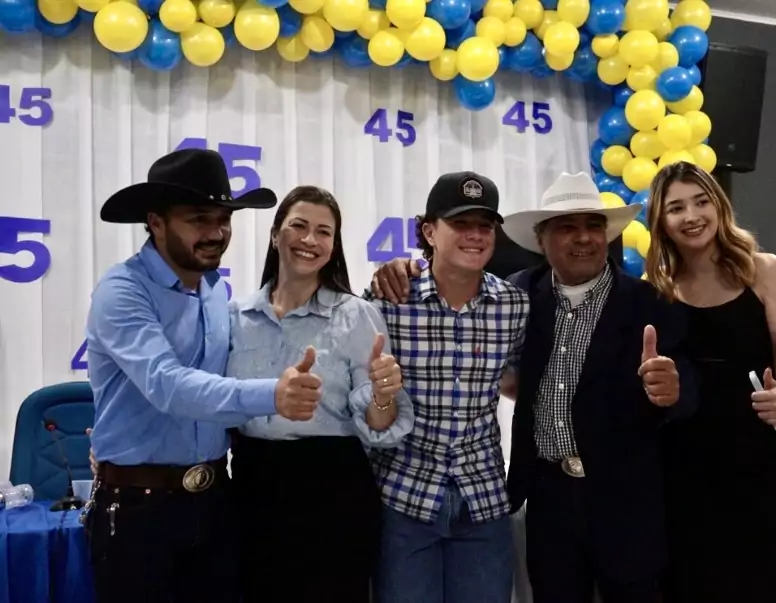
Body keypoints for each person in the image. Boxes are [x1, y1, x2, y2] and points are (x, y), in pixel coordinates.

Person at [371, 172, 698, 603]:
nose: (583, 238)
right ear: (542, 239)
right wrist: (399, 267)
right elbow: (511, 376)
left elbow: (688, 382)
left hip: (624, 503)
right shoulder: (523, 294)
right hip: (547, 497)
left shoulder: (649, 301)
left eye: (593, 226)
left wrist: (673, 391)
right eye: (567, 227)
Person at [84, 149, 319, 603]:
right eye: (198, 219)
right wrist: (274, 394)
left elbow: (220, 378)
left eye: (223, 219)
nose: (216, 233)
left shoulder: (215, 290)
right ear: (156, 222)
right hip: (138, 509)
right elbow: (168, 385)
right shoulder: (121, 291)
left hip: (214, 499)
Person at [226, 186, 415, 603]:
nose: (310, 240)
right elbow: (214, 402)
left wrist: (384, 396)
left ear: (334, 245)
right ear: (276, 234)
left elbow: (379, 428)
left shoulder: (356, 315)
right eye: (299, 226)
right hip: (252, 487)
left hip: (333, 492)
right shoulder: (235, 317)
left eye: (324, 232)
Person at [365, 171, 530, 603]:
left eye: (484, 226)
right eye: (460, 223)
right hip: (404, 496)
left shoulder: (514, 305)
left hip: (484, 499)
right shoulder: (388, 300)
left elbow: (514, 378)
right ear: (429, 231)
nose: (474, 236)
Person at [645, 162, 776, 603]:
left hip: (759, 464)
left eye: (700, 201)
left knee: (756, 587)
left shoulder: (765, 271)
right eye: (676, 207)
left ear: (719, 204)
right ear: (661, 220)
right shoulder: (656, 288)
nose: (691, 215)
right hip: (683, 468)